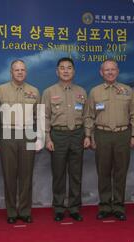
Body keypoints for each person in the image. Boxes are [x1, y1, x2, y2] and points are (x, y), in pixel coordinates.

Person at [84, 59, 134, 221]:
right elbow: (88, 116)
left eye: (113, 69)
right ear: (101, 73)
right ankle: (104, 206)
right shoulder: (94, 92)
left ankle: (118, 206)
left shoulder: (127, 90)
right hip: (102, 135)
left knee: (120, 172)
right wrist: (89, 136)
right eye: (106, 70)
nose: (110, 72)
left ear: (117, 71)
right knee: (103, 173)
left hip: (123, 135)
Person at [0, 59, 42, 224]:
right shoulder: (0, 90)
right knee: (9, 175)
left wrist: (39, 138)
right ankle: (11, 211)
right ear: (11, 72)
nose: (20, 72)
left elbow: (39, 117)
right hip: (7, 132)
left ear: (26, 72)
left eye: (23, 70)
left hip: (28, 132)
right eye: (16, 70)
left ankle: (25, 211)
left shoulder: (34, 91)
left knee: (26, 175)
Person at [42, 57, 88, 222]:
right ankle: (59, 208)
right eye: (62, 68)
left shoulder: (82, 92)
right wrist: (47, 138)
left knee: (76, 174)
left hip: (77, 134)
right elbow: (45, 117)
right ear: (57, 71)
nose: (66, 71)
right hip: (58, 135)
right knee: (59, 174)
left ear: (74, 71)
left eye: (69, 68)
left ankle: (75, 208)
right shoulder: (49, 92)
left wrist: (87, 135)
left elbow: (87, 116)